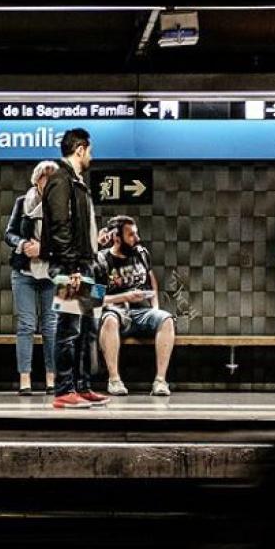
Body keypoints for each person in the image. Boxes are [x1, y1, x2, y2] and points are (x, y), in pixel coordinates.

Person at [41, 128, 108, 410]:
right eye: (89, 150)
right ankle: (64, 390)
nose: (91, 156)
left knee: (86, 329)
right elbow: (59, 226)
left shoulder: (77, 183)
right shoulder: (60, 180)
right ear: (79, 149)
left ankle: (82, 386)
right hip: (72, 266)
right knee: (69, 328)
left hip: (85, 264)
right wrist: (71, 266)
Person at [95, 215, 174, 397]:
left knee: (166, 319)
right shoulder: (102, 260)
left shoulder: (141, 254)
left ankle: (160, 381)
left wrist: (155, 306)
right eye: (130, 235)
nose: (136, 239)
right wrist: (125, 296)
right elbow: (96, 298)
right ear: (117, 238)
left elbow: (151, 280)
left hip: (141, 310)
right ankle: (114, 380)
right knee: (109, 321)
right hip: (116, 311)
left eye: (136, 234)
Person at [3, 160, 59, 395]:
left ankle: (51, 378)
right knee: (26, 325)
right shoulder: (22, 203)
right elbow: (9, 234)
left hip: (52, 273)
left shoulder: (64, 206)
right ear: (37, 182)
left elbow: (68, 241)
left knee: (51, 326)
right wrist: (23, 243)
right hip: (24, 272)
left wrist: (43, 249)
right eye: (46, 182)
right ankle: (25, 379)